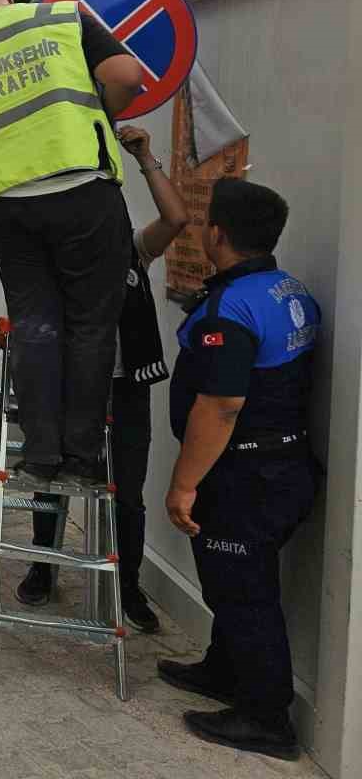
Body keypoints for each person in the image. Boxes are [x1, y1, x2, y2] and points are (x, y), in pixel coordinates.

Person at [0, 0, 144, 482]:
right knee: (91, 324)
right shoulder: (61, 19)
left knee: (35, 322)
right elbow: (126, 75)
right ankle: (80, 455)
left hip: (7, 204)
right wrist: (94, 112)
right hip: (80, 187)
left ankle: (41, 453)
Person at [156, 177, 319, 761]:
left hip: (247, 476)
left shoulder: (233, 307)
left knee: (245, 594)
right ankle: (224, 672)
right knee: (235, 584)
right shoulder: (286, 289)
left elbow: (222, 404)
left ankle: (268, 719)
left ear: (217, 233)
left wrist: (183, 484)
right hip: (282, 466)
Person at [17, 124, 188, 633]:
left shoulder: (134, 252)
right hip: (69, 389)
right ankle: (43, 567)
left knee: (127, 492)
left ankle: (127, 584)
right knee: (52, 480)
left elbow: (177, 218)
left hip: (126, 388)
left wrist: (146, 157)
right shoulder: (56, 266)